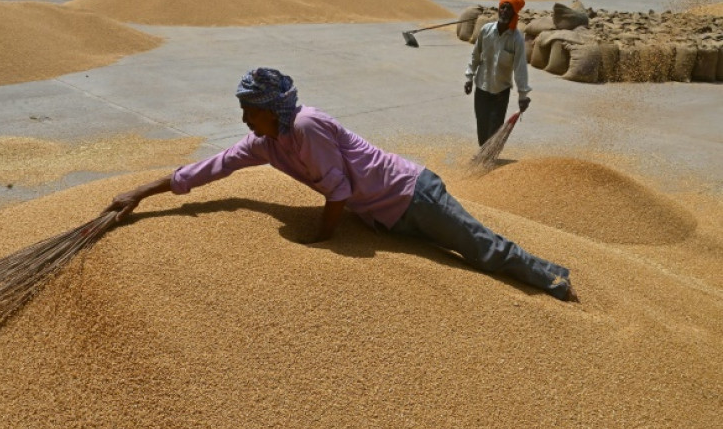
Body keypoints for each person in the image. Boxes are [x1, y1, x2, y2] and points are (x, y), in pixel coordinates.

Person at [106, 68, 578, 302]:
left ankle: (555, 279)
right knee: (453, 262)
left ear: (272, 109)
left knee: (479, 249)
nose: (244, 119)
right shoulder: (266, 142)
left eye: (250, 110)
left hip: (413, 193)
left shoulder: (306, 126)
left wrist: (321, 238)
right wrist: (140, 194)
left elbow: (338, 192)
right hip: (386, 219)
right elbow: (209, 168)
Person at [464, 0, 531, 146]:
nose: (505, 11)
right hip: (482, 87)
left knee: (495, 127)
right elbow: (475, 55)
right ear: (499, 10)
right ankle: (483, 154)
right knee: (482, 124)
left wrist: (523, 95)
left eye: (509, 9)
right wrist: (469, 77)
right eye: (503, 8)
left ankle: (489, 157)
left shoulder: (516, 39)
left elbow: (520, 67)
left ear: (514, 14)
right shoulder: (486, 31)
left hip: (501, 92)